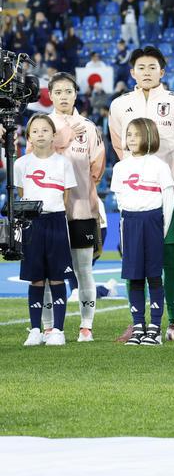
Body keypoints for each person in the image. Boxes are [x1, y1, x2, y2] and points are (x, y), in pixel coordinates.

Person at [108, 46, 174, 343]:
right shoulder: (120, 105)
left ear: (163, 71)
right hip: (136, 197)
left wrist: (167, 177)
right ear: (132, 72)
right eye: (141, 68)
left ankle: (173, 322)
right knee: (136, 262)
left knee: (170, 257)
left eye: (152, 67)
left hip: (169, 192)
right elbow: (120, 147)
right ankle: (138, 323)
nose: (146, 72)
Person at [29, 73, 105, 343]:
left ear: (76, 94)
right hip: (47, 213)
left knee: (83, 269)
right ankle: (48, 327)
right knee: (49, 273)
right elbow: (32, 163)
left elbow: (97, 170)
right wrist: (66, 137)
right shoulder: (40, 125)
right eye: (57, 91)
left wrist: (82, 193)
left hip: (81, 210)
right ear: (50, 94)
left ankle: (86, 325)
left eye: (68, 91)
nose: (63, 96)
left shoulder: (90, 127)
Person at [110, 118, 174, 346]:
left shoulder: (159, 166)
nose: (131, 139)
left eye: (137, 134)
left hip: (153, 221)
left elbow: (168, 200)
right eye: (129, 134)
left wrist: (162, 229)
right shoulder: (120, 167)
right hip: (130, 221)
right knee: (134, 276)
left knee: (154, 276)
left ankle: (155, 329)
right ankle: (139, 326)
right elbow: (120, 201)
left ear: (149, 136)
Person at [16, 115, 77, 347]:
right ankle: (35, 329)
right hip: (32, 224)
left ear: (53, 135)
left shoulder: (63, 163)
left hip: (56, 222)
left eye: (45, 130)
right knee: (36, 279)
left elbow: (66, 196)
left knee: (57, 277)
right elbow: (22, 194)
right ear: (29, 136)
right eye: (35, 130)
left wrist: (53, 212)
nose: (40, 134)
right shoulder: (21, 164)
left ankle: (58, 331)